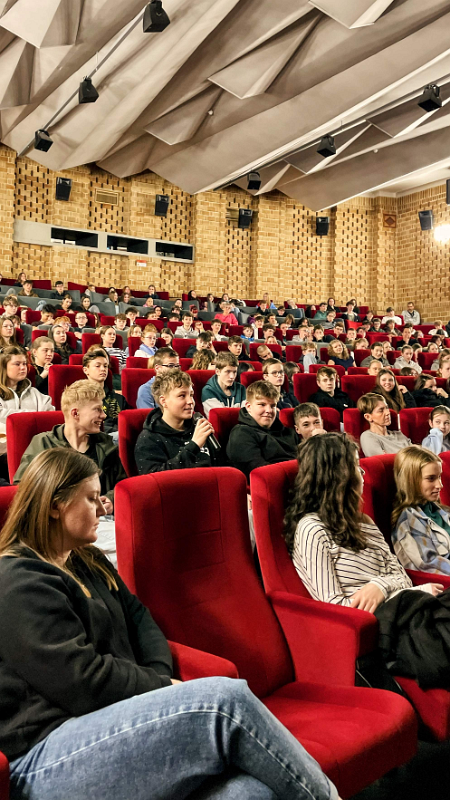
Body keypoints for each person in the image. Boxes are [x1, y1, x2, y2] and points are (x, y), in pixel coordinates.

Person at [3, 447, 338, 800]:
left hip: (109, 722)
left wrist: (159, 679)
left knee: (254, 791)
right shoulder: (17, 579)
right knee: (225, 700)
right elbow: (82, 681)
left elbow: (141, 621)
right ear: (55, 505)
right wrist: (162, 686)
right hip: (44, 756)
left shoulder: (86, 561)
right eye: (90, 498)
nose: (102, 509)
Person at [284, 434, 445, 683]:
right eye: (356, 467)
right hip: (381, 629)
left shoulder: (365, 522)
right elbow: (334, 607)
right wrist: (400, 591)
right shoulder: (312, 528)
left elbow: (400, 575)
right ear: (338, 477)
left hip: (403, 609)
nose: (362, 475)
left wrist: (379, 586)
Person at [14, 380, 126, 562]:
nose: (104, 415)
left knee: (130, 546)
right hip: (59, 526)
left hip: (101, 521)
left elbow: (122, 484)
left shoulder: (105, 445)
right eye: (97, 409)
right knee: (124, 549)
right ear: (75, 413)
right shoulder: (43, 444)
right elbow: (23, 489)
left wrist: (111, 499)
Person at [135, 369, 222, 474]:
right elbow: (156, 478)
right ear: (163, 401)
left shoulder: (198, 428)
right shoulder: (149, 439)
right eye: (182, 396)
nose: (190, 401)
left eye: (191, 395)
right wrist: (193, 446)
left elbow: (220, 468)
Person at [393, 444, 450, 576]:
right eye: (431, 479)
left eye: (439, 477)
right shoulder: (408, 522)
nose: (440, 485)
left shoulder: (439, 510)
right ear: (411, 481)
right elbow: (428, 564)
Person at [226, 381, 298, 479]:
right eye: (262, 404)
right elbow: (259, 471)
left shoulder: (288, 432)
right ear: (248, 407)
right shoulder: (241, 434)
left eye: (272, 406)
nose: (269, 410)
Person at [0, 346, 54, 467]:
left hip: (36, 449)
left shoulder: (34, 392)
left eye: (24, 363)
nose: (23, 367)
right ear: (3, 367)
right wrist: (32, 417)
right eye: (17, 364)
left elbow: (49, 415)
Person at [82, 349, 130, 443]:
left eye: (105, 366)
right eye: (97, 366)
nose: (103, 369)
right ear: (86, 370)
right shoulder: (80, 397)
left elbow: (128, 423)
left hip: (119, 438)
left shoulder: (119, 399)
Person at [202, 352, 246, 418]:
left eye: (234, 372)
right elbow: (221, 418)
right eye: (228, 371)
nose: (232, 376)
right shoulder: (208, 391)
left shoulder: (241, 388)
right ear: (217, 371)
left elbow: (248, 415)